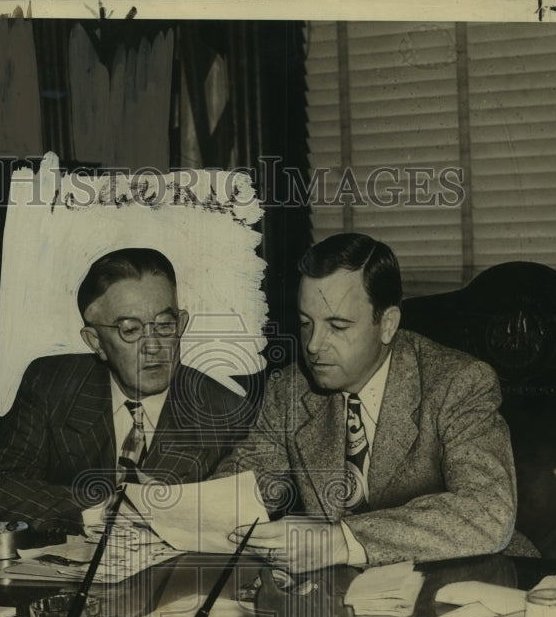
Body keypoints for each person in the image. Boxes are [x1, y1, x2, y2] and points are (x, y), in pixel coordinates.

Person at [216, 233, 518, 573]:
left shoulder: (457, 383)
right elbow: (243, 487)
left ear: (387, 324)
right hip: (347, 599)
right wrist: (178, 511)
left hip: (465, 580)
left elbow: (488, 512)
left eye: (338, 325)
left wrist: (341, 541)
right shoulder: (289, 389)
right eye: (305, 324)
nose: (314, 345)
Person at [0, 247, 254, 533]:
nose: (153, 346)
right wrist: (98, 510)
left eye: (165, 325)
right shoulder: (52, 385)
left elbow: (238, 520)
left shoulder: (226, 413)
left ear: (181, 325)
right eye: (130, 330)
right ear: (95, 342)